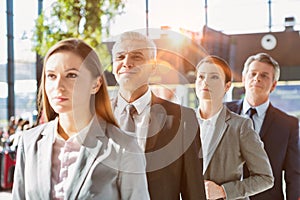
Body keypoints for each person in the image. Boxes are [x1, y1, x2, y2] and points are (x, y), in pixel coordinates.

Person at [12, 38, 150, 200]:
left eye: (71, 75)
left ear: (96, 84)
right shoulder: (29, 143)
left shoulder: (124, 148)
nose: (58, 86)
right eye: (51, 76)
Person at [111, 31, 206, 200]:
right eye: (120, 57)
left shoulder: (183, 119)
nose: (126, 63)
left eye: (137, 57)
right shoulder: (92, 117)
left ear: (153, 66)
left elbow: (194, 189)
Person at [195, 55, 274, 200]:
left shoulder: (240, 126)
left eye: (214, 77)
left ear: (227, 86)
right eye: (200, 77)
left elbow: (266, 178)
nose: (205, 82)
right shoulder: (183, 123)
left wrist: (223, 191)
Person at [226, 52, 300, 200]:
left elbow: (294, 173)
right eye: (252, 73)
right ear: (244, 78)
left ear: (273, 85)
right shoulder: (223, 112)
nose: (257, 78)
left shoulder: (288, 124)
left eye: (264, 75)